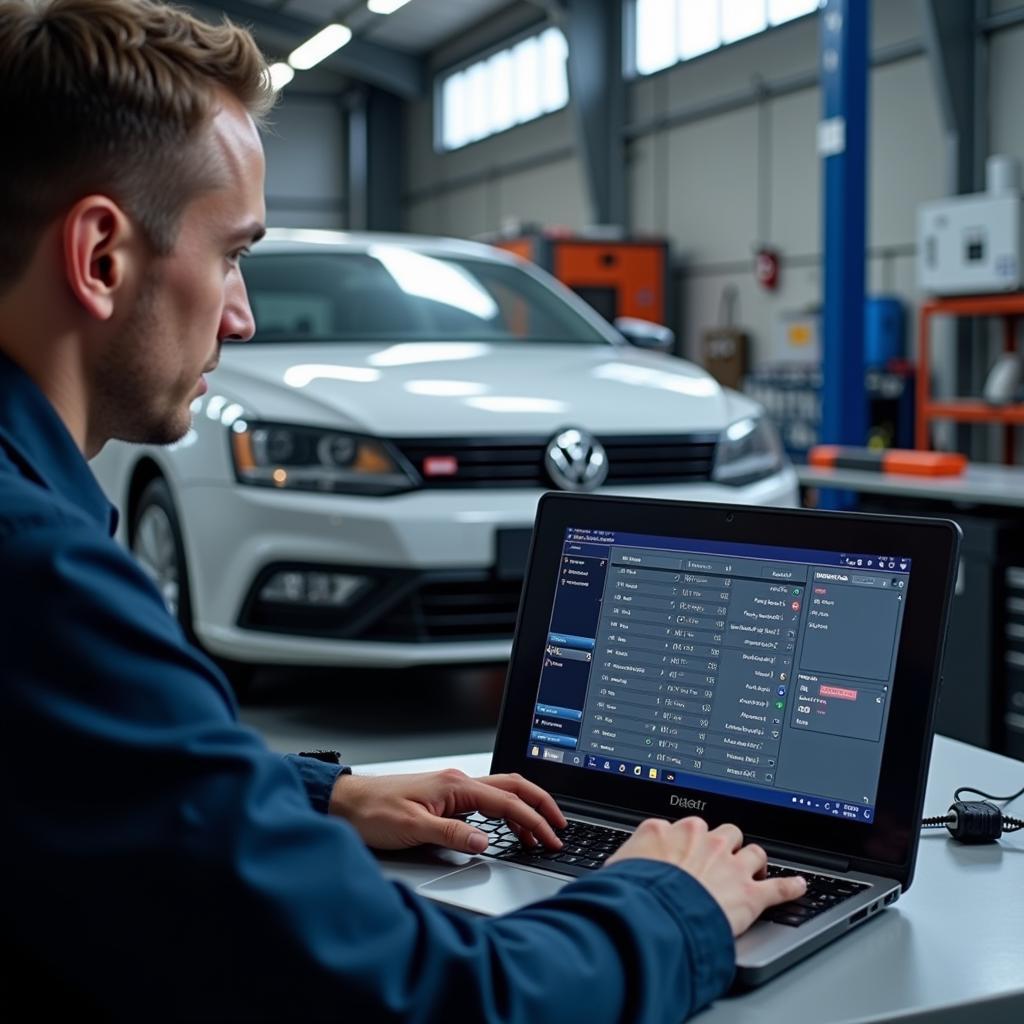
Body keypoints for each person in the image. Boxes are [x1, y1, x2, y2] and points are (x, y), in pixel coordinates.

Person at [0, 1, 806, 1019]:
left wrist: (316, 795)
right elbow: (431, 996)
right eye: (234, 253)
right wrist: (674, 898)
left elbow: (87, 758)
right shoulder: (43, 580)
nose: (240, 316)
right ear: (102, 257)